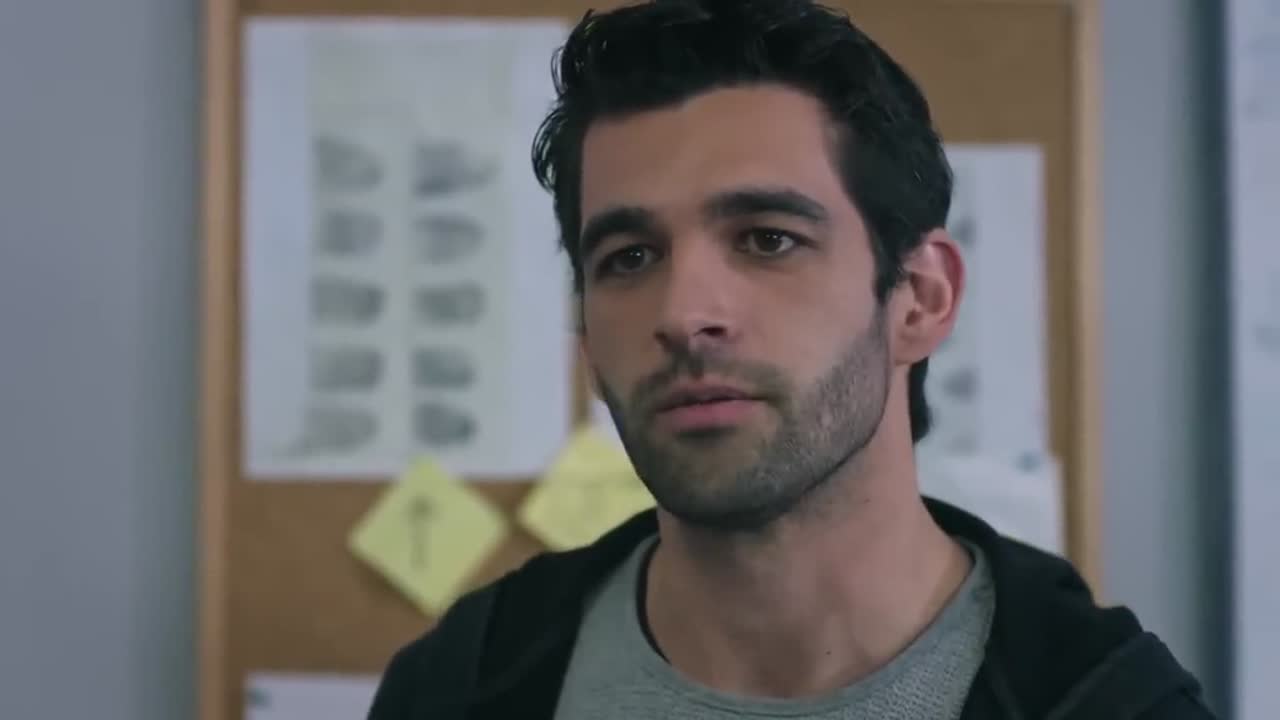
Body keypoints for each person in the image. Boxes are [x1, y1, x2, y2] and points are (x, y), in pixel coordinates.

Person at [368, 1, 1214, 718]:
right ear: (586, 334)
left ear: (920, 298)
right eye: (629, 257)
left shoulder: (1105, 702)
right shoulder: (460, 685)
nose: (683, 315)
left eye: (767, 240)